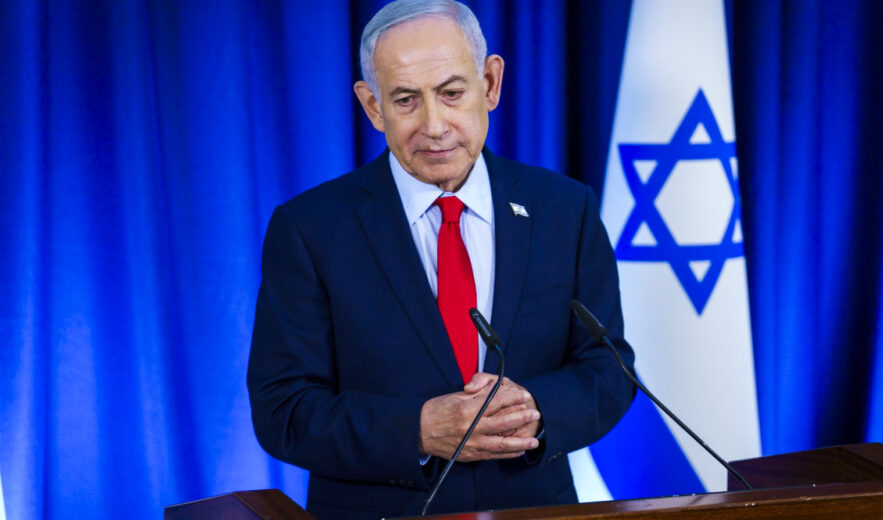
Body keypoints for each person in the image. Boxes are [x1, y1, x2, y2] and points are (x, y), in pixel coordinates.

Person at [247, 1, 635, 518]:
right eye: (406, 99)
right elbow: (283, 409)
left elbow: (609, 370)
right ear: (373, 106)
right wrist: (418, 430)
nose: (434, 125)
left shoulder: (565, 209)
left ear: (490, 83)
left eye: (452, 93)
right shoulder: (310, 228)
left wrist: (536, 410)